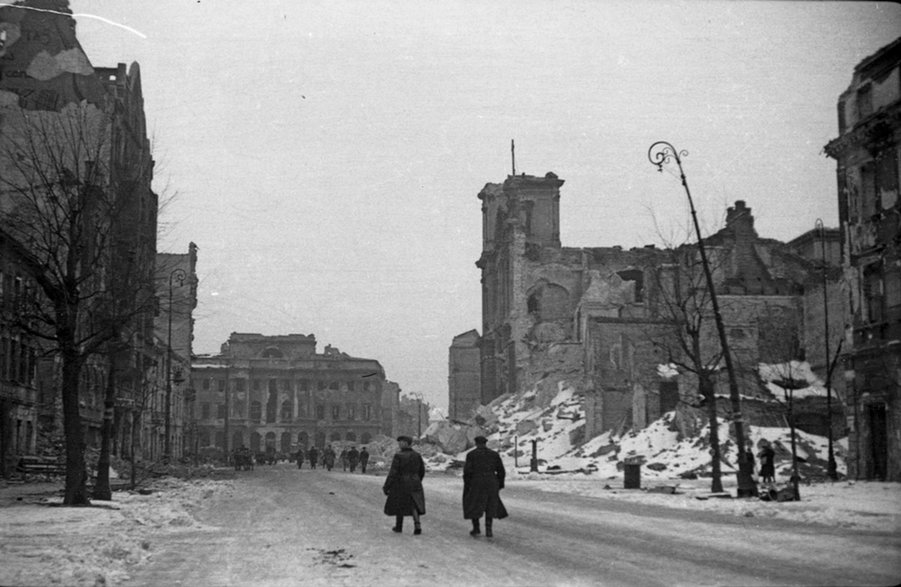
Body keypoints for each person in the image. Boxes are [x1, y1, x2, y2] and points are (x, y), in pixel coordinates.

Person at [463, 435, 507, 538]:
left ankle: (476, 528)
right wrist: (499, 484)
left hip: (476, 482)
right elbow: (501, 471)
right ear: (485, 443)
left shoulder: (471, 455)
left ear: (476, 443)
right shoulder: (494, 454)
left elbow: (467, 472)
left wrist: (468, 484)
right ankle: (488, 529)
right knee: (489, 505)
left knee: (474, 505)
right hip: (491, 482)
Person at [383, 435, 426, 535]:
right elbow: (422, 471)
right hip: (415, 482)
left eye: (401, 442)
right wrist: (417, 480)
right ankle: (417, 525)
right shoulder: (417, 455)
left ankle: (399, 527)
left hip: (401, 482)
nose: (399, 444)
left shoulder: (398, 455)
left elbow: (393, 472)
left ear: (406, 443)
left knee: (400, 503)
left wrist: (387, 486)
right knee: (414, 503)